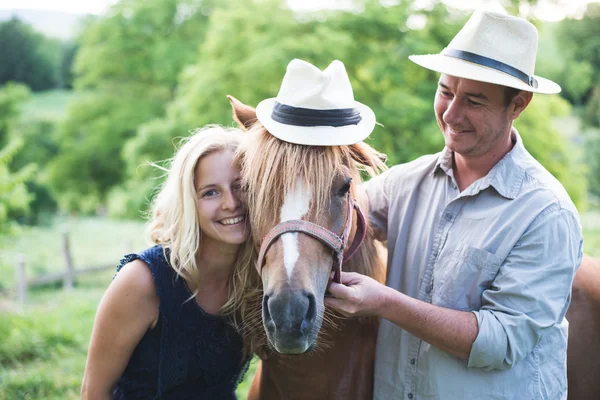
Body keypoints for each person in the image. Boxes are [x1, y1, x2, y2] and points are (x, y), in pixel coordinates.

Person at [325, 10, 583, 400]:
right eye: (446, 91)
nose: (450, 113)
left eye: (474, 101)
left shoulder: (545, 214)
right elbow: (340, 217)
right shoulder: (405, 182)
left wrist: (385, 303)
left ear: (519, 105)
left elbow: (499, 342)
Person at [81, 126, 258, 399]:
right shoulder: (142, 281)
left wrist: (352, 302)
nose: (231, 203)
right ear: (189, 203)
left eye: (241, 186)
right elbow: (93, 393)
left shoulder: (259, 276)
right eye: (211, 192)